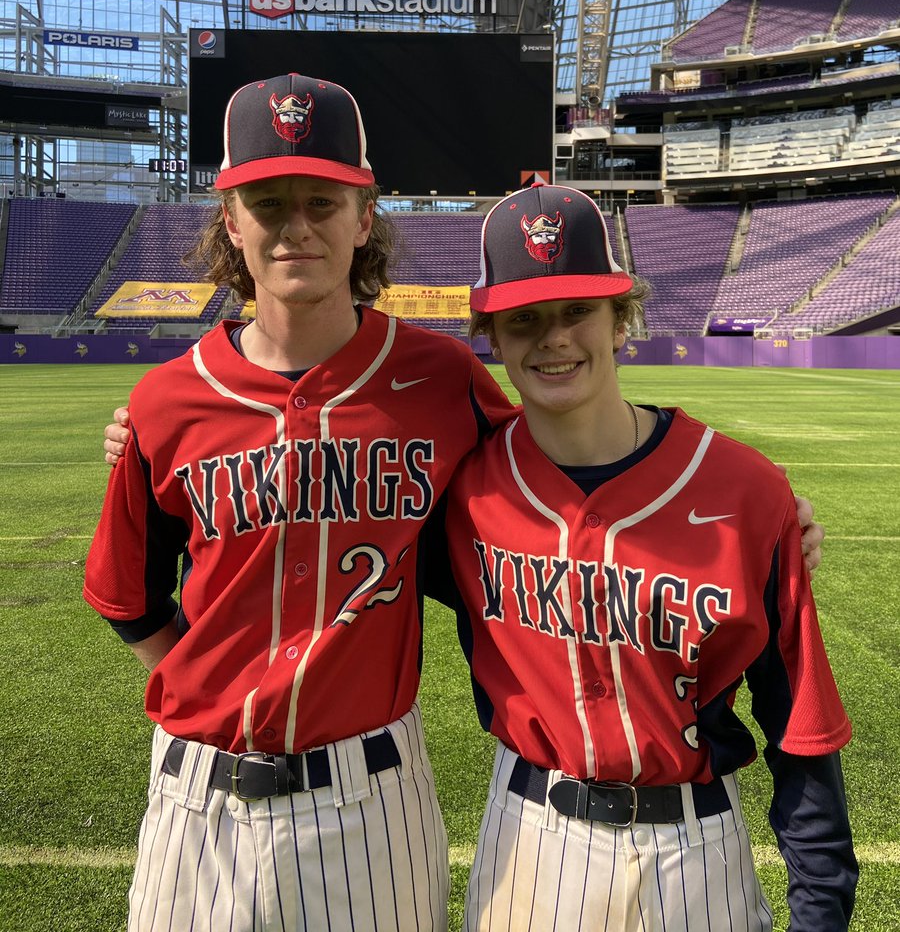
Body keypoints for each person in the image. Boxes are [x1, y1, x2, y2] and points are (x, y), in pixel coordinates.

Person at [83, 73, 514, 932]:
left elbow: (552, 485)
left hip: (373, 801)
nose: (297, 227)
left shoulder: (441, 379)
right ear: (231, 221)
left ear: (364, 216)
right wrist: (199, 685)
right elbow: (125, 595)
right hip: (197, 804)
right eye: (268, 202)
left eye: (323, 200)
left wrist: (754, 508)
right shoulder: (170, 401)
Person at [431, 182, 856, 931]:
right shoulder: (464, 492)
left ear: (621, 320)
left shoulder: (746, 490)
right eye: (523, 320)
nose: (553, 338)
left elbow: (797, 721)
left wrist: (821, 907)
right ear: (491, 337)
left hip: (695, 851)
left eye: (577, 312)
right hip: (529, 839)